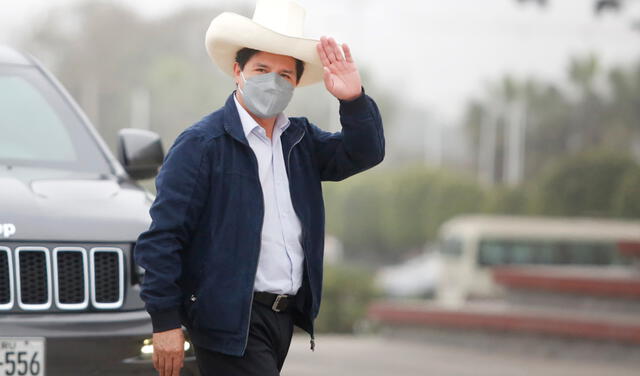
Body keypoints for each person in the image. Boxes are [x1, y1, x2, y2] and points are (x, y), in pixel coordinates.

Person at [133, 0, 385, 375]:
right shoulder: (202, 145)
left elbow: (364, 153)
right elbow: (163, 238)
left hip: (280, 319)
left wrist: (352, 100)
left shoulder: (300, 141)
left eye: (285, 74)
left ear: (296, 82)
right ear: (238, 71)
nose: (273, 81)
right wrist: (165, 321)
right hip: (227, 319)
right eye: (261, 69)